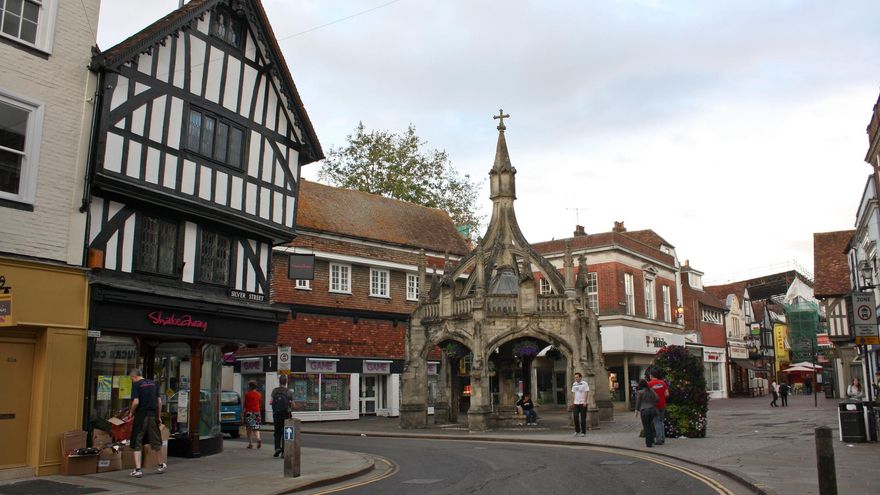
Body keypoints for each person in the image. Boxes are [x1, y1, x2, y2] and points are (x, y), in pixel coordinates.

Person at [127, 369, 166, 478]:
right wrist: (158, 416)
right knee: (156, 439)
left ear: (134, 377)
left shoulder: (136, 385)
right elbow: (159, 402)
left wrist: (131, 412)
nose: (132, 381)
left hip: (141, 416)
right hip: (153, 415)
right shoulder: (154, 384)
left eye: (131, 379)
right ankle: (161, 464)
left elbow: (136, 402)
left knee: (137, 440)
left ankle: (138, 470)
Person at [270, 375, 295, 458]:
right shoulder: (289, 392)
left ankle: (277, 448)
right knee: (286, 432)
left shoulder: (275, 391)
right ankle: (284, 452)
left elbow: (271, 402)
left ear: (279, 381)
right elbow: (293, 405)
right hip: (286, 415)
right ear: (286, 382)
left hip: (277, 415)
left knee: (277, 432)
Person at [635, 379, 659, 448]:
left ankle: (649, 443)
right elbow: (657, 398)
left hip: (644, 411)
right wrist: (653, 404)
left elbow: (638, 402)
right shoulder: (651, 390)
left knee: (646, 427)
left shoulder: (640, 392)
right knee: (650, 425)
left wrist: (636, 411)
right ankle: (652, 440)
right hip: (652, 410)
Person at [647, 369, 669, 445]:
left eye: (650, 375)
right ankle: (663, 438)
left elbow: (647, 396)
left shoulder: (649, 384)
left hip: (654, 406)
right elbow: (667, 394)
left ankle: (659, 439)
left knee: (656, 422)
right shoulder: (663, 383)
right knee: (661, 421)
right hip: (662, 404)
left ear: (651, 375)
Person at [243, 381, 262, 449]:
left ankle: (250, 443)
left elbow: (245, 404)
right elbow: (259, 403)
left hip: (249, 412)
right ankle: (258, 438)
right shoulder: (259, 394)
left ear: (250, 387)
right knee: (256, 428)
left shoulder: (247, 394)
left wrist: (243, 413)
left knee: (249, 429)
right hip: (257, 412)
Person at [571, 372, 590, 437]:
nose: (576, 378)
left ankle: (583, 432)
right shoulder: (574, 384)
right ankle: (577, 430)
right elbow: (573, 393)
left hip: (582, 403)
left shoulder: (585, 384)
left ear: (580, 377)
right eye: (575, 377)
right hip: (576, 403)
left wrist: (585, 401)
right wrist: (573, 401)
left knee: (583, 418)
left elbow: (586, 392)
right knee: (575, 417)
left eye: (577, 377)